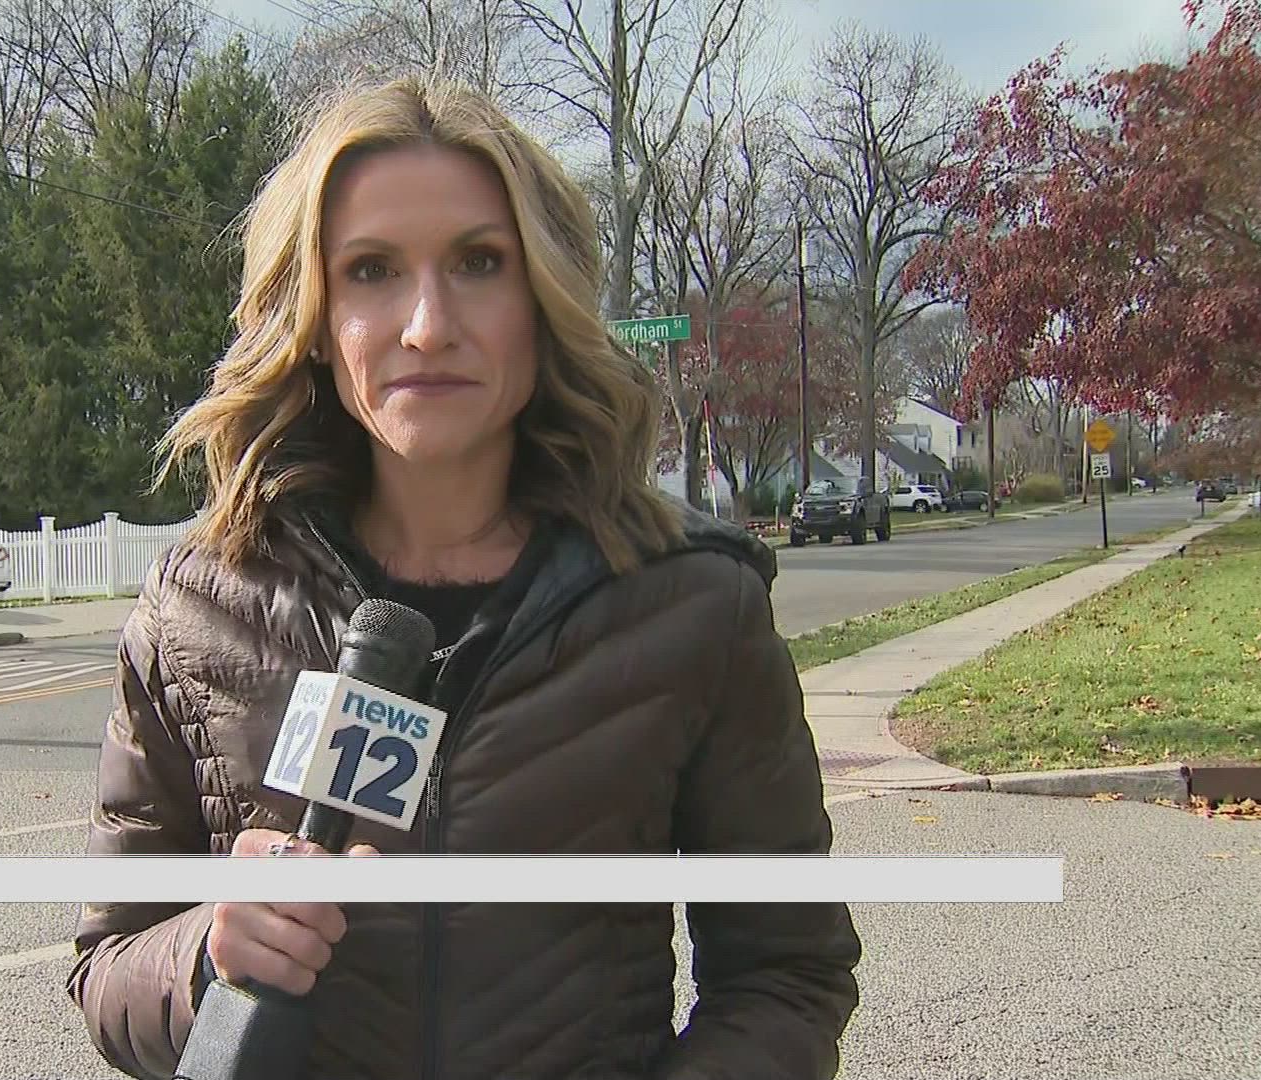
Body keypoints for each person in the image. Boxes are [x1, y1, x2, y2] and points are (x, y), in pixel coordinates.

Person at [65, 75, 861, 1080]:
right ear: (310, 316)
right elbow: (109, 963)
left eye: (480, 263)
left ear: (543, 297)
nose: (428, 324)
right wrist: (206, 957)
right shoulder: (195, 611)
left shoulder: (695, 610)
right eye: (371, 270)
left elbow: (788, 975)